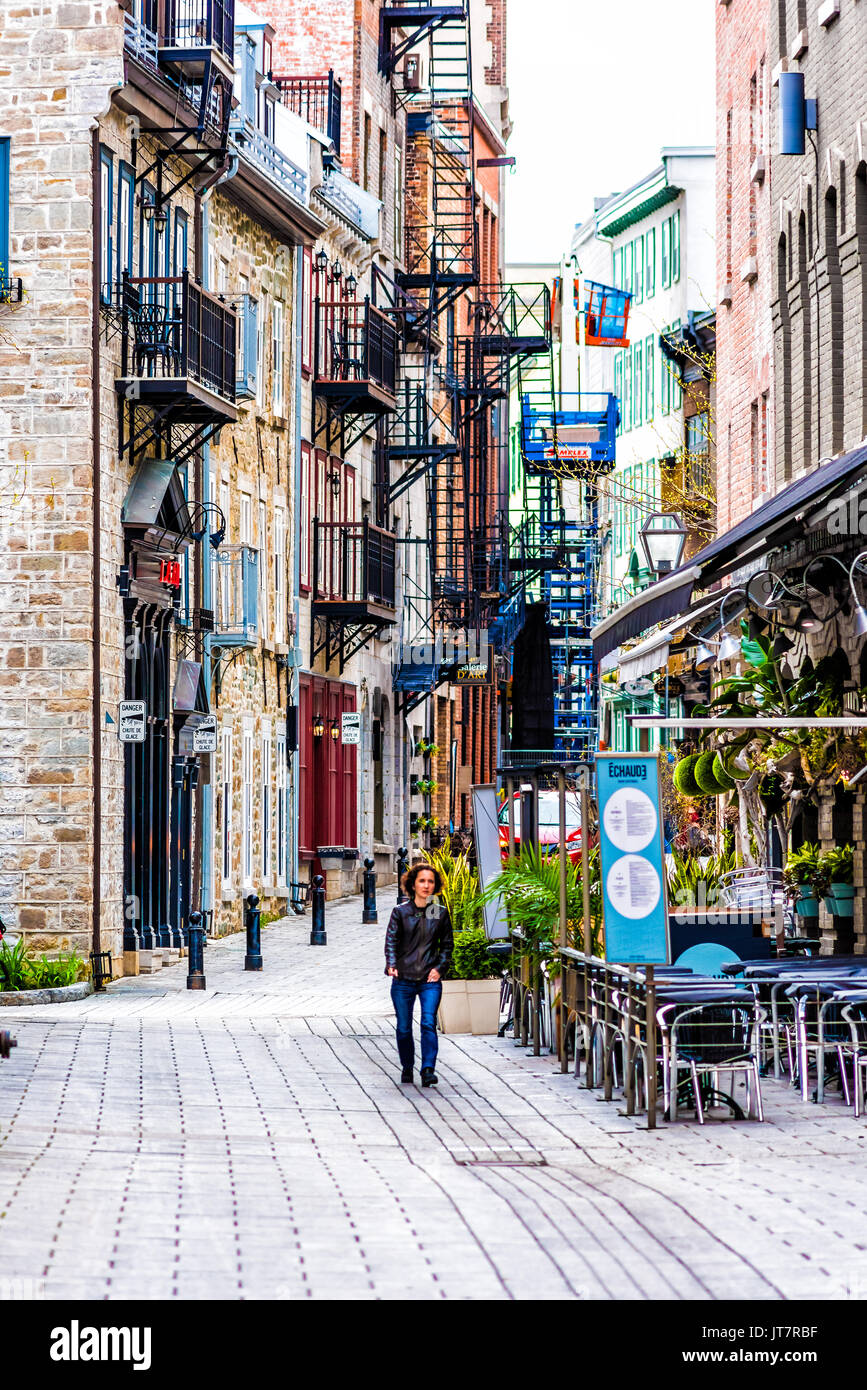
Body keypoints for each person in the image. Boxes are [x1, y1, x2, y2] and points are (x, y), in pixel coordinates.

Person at [384, 862, 453, 1087]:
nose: (426, 885)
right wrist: (391, 964)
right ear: (413, 884)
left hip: (428, 980)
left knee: (427, 1023)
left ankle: (428, 1069)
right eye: (422, 881)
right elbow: (391, 941)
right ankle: (407, 1066)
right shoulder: (401, 912)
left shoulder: (438, 912)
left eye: (430, 881)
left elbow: (447, 946)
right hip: (403, 979)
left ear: (436, 886)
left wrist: (439, 969)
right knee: (404, 1027)